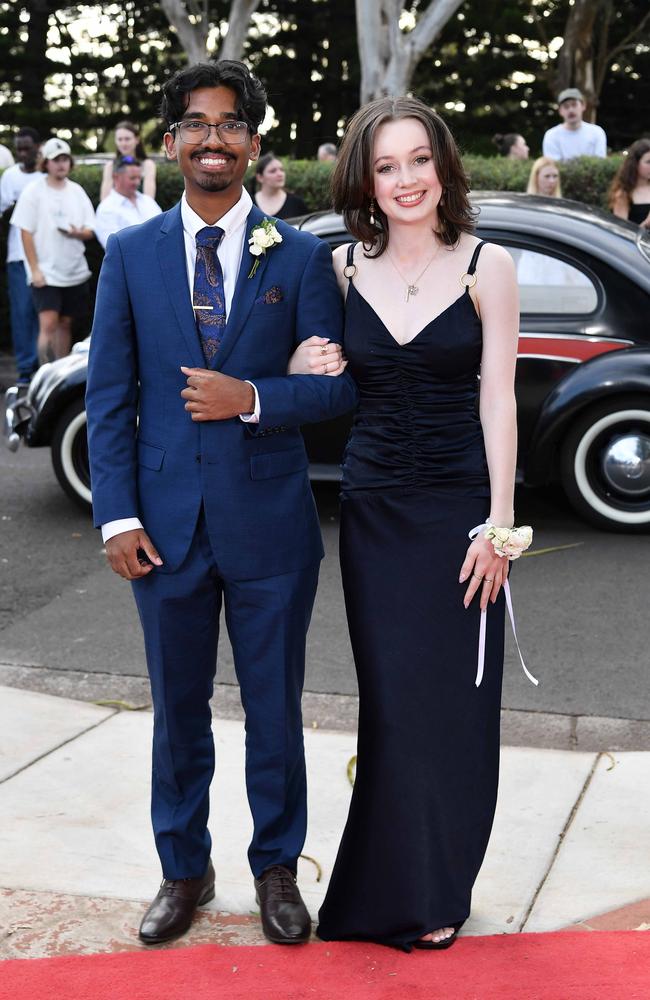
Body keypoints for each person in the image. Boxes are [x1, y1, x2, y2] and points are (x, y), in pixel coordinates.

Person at [85, 59, 357, 949]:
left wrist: (254, 396)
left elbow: (334, 393)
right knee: (179, 709)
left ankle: (276, 869)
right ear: (171, 143)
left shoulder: (302, 255)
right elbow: (110, 396)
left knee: (274, 709)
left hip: (271, 529)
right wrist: (117, 517)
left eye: (231, 123)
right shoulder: (129, 254)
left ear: (253, 140)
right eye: (196, 124)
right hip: (162, 531)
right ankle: (183, 870)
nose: (214, 138)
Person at [291, 96, 534, 952]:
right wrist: (301, 359)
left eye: (418, 161)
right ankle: (380, 889)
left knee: (455, 707)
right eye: (386, 165)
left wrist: (498, 525)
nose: (405, 180)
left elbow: (496, 397)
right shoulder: (343, 268)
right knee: (393, 706)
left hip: (457, 512)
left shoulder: (486, 266)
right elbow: (316, 374)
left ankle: (438, 888)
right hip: (373, 512)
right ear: (365, 177)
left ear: (444, 166)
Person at [11, 137, 95, 364]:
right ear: (45, 163)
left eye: (65, 159)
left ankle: (59, 377)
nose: (61, 164)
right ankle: (43, 377)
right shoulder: (33, 191)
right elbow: (25, 231)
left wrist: (79, 233)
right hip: (46, 273)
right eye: (56, 159)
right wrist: (35, 270)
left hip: (73, 271)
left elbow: (90, 229)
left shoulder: (77, 191)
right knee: (48, 323)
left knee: (66, 324)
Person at [0, 127, 41, 385]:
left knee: (46, 315)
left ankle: (44, 370)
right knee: (22, 314)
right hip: (18, 256)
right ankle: (26, 372)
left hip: (47, 254)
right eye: (19, 148)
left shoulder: (44, 175)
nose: (22, 153)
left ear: (37, 146)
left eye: (27, 147)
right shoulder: (10, 177)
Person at [94, 155, 162, 249]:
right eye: (132, 178)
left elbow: (164, 231)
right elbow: (113, 247)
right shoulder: (106, 208)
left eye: (139, 178)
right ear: (116, 177)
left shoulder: (148, 202)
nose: (137, 182)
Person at [542, 88, 607, 161]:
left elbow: (600, 164)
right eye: (566, 106)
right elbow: (552, 168)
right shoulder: (551, 135)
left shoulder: (597, 132)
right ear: (560, 111)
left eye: (574, 104)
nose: (570, 110)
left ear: (583, 106)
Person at [100, 120, 156, 200]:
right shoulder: (110, 166)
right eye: (120, 139)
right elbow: (104, 200)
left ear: (137, 140)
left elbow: (149, 199)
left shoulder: (148, 165)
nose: (123, 143)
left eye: (127, 139)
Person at [608, 138, 650, 229]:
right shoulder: (624, 194)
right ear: (635, 163)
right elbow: (621, 233)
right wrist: (646, 224)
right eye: (648, 162)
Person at [253, 153, 308, 219]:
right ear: (260, 177)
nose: (280, 174)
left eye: (282, 170)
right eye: (273, 171)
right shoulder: (249, 203)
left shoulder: (296, 203)